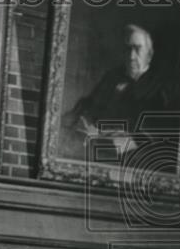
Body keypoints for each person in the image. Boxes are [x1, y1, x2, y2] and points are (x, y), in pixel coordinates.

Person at [64, 24, 173, 156]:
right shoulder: (112, 77)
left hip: (130, 152)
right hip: (96, 140)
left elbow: (152, 132)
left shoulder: (159, 87)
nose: (131, 56)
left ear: (149, 55)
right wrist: (80, 118)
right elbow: (90, 104)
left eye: (138, 49)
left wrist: (105, 136)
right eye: (128, 49)